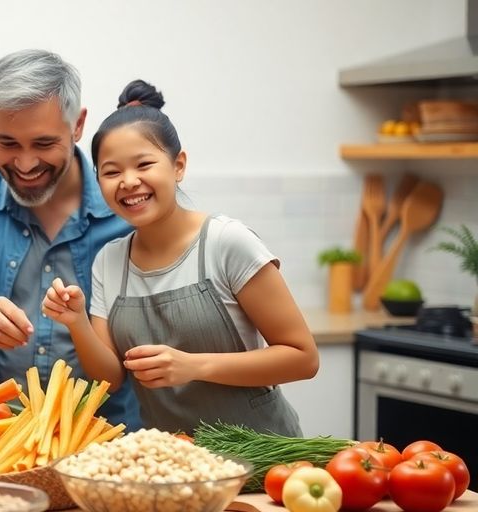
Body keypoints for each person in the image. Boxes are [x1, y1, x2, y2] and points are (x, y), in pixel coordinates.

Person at [41, 79, 319, 436]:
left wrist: (194, 367)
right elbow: (110, 379)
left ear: (179, 165)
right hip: (175, 466)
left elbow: (302, 357)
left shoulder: (225, 242)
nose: (128, 181)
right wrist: (76, 321)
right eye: (111, 171)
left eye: (144, 164)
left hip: (266, 460)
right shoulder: (109, 261)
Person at [0, 49, 140, 428]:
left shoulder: (128, 213)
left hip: (112, 443)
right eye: (7, 144)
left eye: (42, 144)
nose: (24, 163)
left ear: (78, 125)